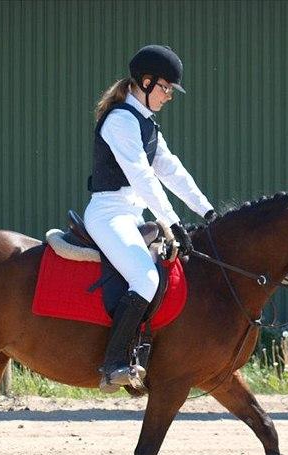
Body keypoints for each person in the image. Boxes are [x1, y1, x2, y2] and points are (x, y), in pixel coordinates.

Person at [85, 44, 216, 393]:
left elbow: (172, 171)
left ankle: (143, 353)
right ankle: (114, 363)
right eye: (166, 87)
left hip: (132, 215)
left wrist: (206, 210)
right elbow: (142, 176)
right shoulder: (120, 122)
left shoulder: (146, 124)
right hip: (108, 214)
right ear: (145, 82)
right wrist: (171, 222)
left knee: (167, 271)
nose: (169, 95)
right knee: (145, 278)